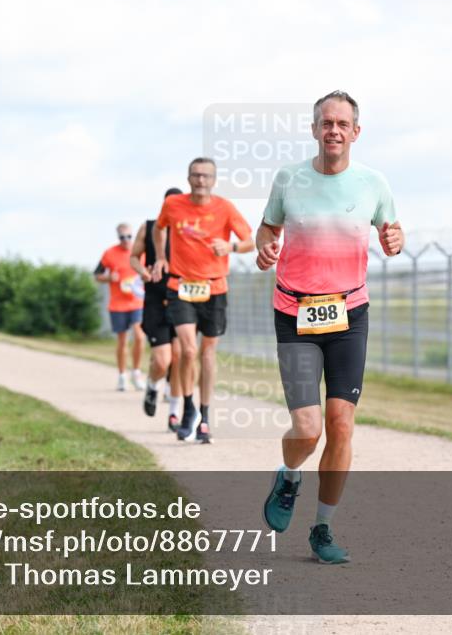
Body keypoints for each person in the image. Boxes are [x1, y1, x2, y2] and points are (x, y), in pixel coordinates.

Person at [256, 91, 403, 564]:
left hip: (348, 314)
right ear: (314, 128)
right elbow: (267, 228)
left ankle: (322, 528)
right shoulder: (289, 179)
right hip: (295, 312)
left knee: (341, 426)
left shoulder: (373, 183)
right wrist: (264, 248)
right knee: (307, 427)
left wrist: (396, 238)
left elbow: (392, 232)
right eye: (326, 123)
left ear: (355, 132)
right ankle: (289, 477)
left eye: (342, 123)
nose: (333, 131)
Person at [152, 158, 255, 443]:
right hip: (181, 286)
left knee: (207, 354)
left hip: (215, 288)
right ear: (188, 178)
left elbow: (250, 241)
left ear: (214, 179)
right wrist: (161, 257)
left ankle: (205, 417)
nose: (200, 180)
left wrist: (231, 246)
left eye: (206, 176)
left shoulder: (224, 208)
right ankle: (187, 408)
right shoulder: (173, 205)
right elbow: (158, 228)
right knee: (187, 351)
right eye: (196, 175)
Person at [130, 188, 185, 428]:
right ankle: (152, 386)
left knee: (180, 356)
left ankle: (174, 413)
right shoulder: (149, 227)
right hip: (155, 299)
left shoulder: (188, 231)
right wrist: (143, 272)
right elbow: (134, 257)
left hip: (183, 299)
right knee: (162, 360)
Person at [95, 224, 147, 391]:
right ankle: (122, 375)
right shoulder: (109, 253)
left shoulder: (141, 252)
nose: (126, 240)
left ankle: (137, 372)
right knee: (122, 340)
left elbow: (148, 271)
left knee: (139, 336)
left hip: (137, 302)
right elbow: (97, 275)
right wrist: (109, 277)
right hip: (118, 304)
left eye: (129, 236)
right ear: (118, 238)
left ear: (133, 237)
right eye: (122, 237)